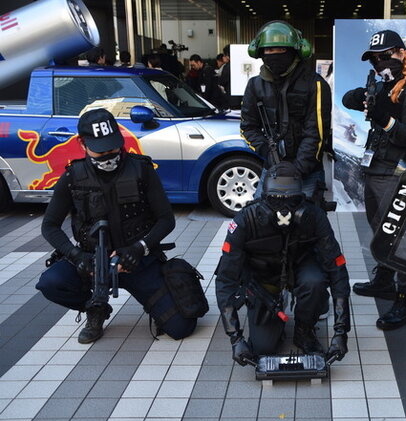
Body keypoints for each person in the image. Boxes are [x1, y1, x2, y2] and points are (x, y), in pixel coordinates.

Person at [35, 109, 196, 343]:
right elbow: (49, 226)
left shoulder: (142, 169)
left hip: (136, 261)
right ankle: (95, 309)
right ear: (82, 143)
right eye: (100, 150)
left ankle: (155, 305)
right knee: (51, 283)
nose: (109, 155)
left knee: (182, 327)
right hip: (91, 261)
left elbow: (166, 219)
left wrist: (140, 248)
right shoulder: (73, 176)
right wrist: (77, 255)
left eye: (113, 148)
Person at [214, 161, 350, 364]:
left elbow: (337, 269)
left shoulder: (314, 217)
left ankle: (304, 330)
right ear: (264, 198)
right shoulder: (244, 221)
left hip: (300, 269)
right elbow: (225, 280)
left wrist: (341, 332)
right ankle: (275, 310)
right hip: (263, 279)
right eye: (276, 200)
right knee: (263, 348)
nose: (284, 209)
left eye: (291, 200)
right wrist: (235, 338)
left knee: (315, 283)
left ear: (301, 199)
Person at [342, 29, 406, 330]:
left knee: (400, 237)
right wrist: (359, 99)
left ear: (402, 54)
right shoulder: (384, 86)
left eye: (386, 56)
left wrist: (384, 117)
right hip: (376, 169)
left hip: (398, 172)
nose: (380, 63)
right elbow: (353, 99)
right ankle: (384, 281)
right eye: (375, 59)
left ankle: (405, 297)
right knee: (380, 231)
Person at [241, 21, 331, 200]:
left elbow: (316, 133)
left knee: (308, 224)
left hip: (307, 173)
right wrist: (269, 155)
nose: (274, 55)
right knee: (261, 222)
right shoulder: (255, 85)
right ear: (260, 53)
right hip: (272, 170)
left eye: (281, 50)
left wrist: (297, 169)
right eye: (269, 50)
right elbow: (248, 128)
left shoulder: (316, 84)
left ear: (295, 52)